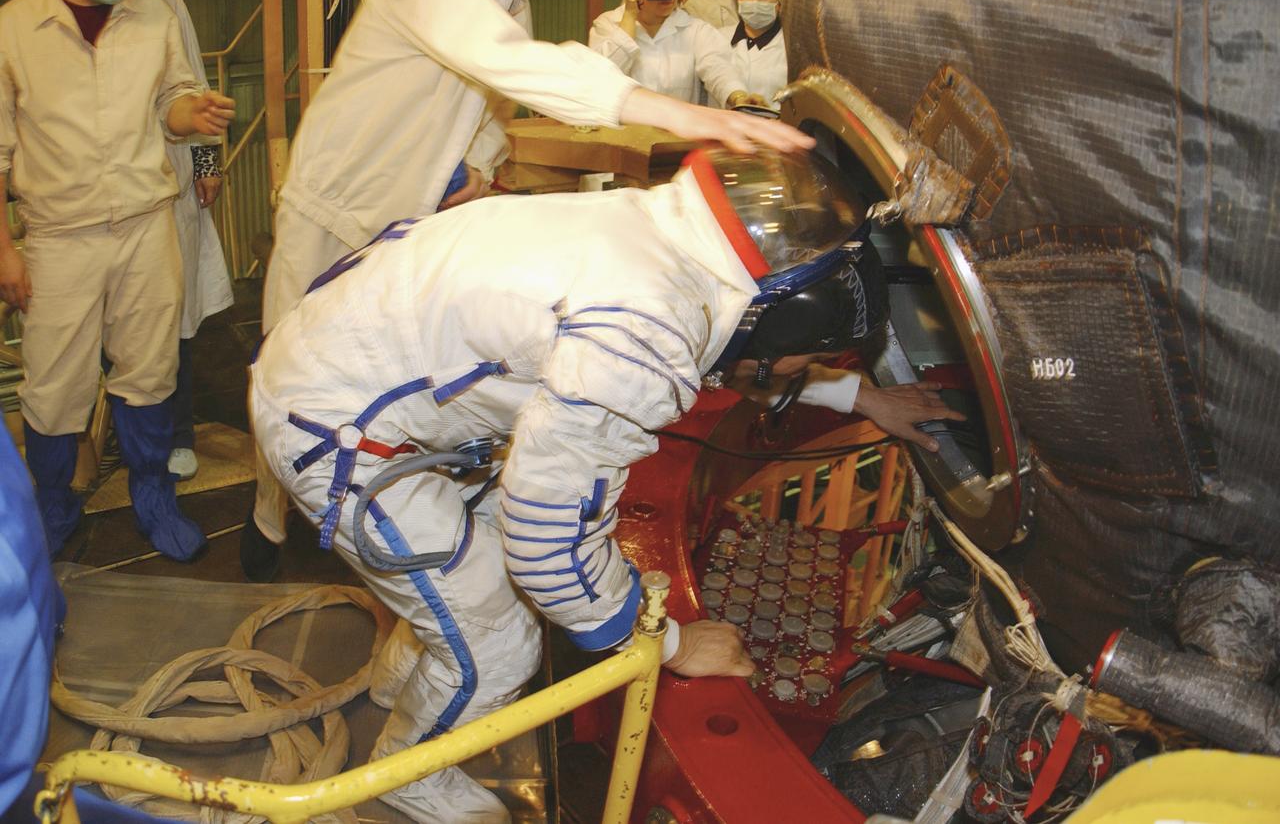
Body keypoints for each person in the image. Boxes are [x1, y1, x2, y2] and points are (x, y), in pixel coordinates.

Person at [250, 147, 962, 821]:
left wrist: (861, 399)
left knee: (466, 584)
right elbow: (549, 546)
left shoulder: (671, 236)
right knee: (502, 640)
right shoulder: (640, 333)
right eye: (804, 354)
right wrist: (676, 643)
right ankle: (410, 768)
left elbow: (742, 352)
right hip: (336, 425)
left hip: (345, 365)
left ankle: (406, 677)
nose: (794, 365)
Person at [241, 0, 814, 581]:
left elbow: (492, 106)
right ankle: (269, 524)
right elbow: (508, 62)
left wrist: (479, 167)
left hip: (405, 226)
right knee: (293, 382)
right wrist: (672, 112)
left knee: (390, 389)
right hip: (333, 214)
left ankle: (384, 520)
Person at [0, 0, 235, 561]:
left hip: (143, 226)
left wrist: (190, 117)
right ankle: (54, 508)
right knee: (53, 385)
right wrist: (4, 251)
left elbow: (172, 100)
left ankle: (153, 496)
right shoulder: (15, 28)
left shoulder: (154, 17)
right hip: (57, 237)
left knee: (151, 370)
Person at [139, 0, 235, 482]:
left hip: (168, 182)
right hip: (105, 204)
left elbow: (193, 83)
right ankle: (141, 442)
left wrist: (205, 164)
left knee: (176, 319)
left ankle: (178, 437)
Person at [589, 0, 761, 108]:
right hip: (624, 132)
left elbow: (718, 69)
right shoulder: (607, 24)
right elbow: (600, 77)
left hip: (676, 133)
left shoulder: (696, 30)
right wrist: (629, 16)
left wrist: (738, 97)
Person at [722, 0, 788, 111]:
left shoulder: (789, 47)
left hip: (772, 131)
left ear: (779, 3)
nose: (755, 2)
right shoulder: (717, 38)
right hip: (723, 131)